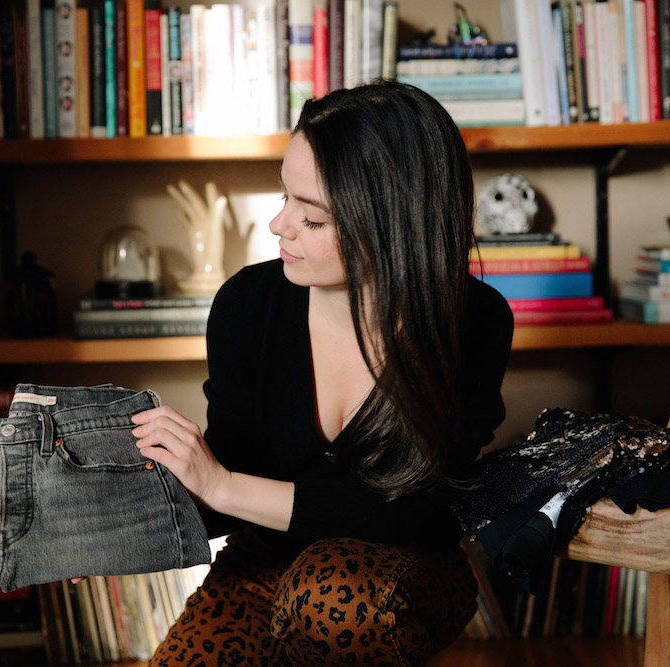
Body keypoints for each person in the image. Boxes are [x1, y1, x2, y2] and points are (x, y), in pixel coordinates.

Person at [129, 80, 513, 666]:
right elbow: (231, 470)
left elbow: (421, 509)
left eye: (310, 217)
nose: (278, 225)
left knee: (333, 596)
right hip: (263, 564)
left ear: (391, 225)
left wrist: (223, 484)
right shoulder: (246, 305)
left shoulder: (473, 320)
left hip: (400, 569)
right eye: (285, 196)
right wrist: (117, 532)